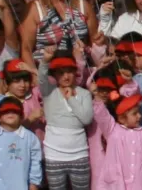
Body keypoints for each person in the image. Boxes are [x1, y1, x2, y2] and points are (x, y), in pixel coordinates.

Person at [20, 0, 97, 68]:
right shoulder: (35, 8)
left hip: (80, 71)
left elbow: (95, 42)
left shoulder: (83, 6)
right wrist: (35, 75)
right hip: (46, 72)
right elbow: (26, 49)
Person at [38, 47, 94, 190]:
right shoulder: (49, 91)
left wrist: (71, 99)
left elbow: (87, 119)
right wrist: (45, 61)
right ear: (55, 75)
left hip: (79, 155)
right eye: (61, 73)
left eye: (69, 71)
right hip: (54, 156)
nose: (66, 76)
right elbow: (42, 79)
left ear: (75, 72)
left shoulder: (84, 94)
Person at [92, 92, 142, 189]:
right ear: (122, 118)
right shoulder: (112, 130)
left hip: (139, 180)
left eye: (139, 112)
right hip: (117, 181)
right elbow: (102, 116)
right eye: (135, 114)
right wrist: (97, 101)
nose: (139, 116)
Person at [0, 97, 42, 190]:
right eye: (5, 112)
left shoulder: (29, 137)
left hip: (19, 185)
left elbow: (35, 163)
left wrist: (34, 184)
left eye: (14, 111)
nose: (10, 114)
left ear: (22, 116)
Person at [0, 59, 44, 141]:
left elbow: (49, 86)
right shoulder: (6, 102)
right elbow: (11, 131)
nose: (22, 85)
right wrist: (30, 119)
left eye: (26, 80)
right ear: (7, 83)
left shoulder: (34, 93)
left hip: (42, 146)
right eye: (17, 81)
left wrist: (33, 70)